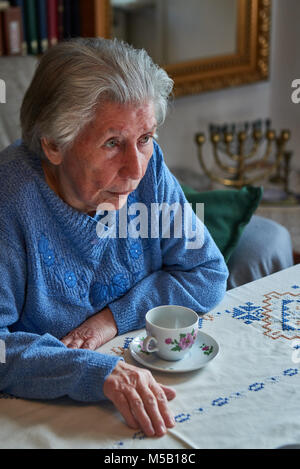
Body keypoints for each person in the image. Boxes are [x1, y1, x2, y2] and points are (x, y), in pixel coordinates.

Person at [0, 38, 229, 437]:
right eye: (112, 143)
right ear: (53, 144)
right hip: (43, 412)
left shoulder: (149, 167)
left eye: (145, 138)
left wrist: (111, 320)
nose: (136, 168)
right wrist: (93, 372)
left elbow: (207, 271)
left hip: (147, 380)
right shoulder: (9, 201)